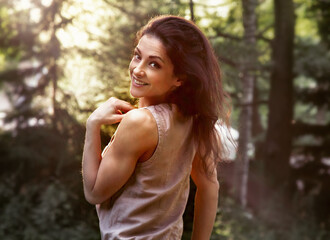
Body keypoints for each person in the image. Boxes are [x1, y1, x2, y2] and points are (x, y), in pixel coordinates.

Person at [82, 15, 230, 240]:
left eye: (154, 64)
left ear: (179, 78)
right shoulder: (194, 120)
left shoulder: (140, 123)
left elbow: (94, 193)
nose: (137, 70)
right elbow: (210, 188)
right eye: (137, 56)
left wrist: (92, 124)